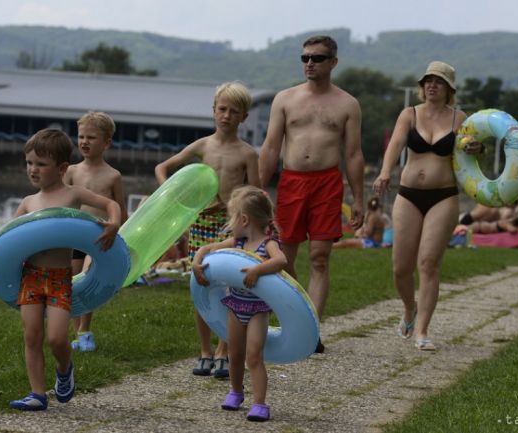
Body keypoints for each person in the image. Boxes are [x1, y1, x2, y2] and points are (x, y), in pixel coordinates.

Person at [0, 128, 122, 411]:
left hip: (58, 278)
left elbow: (110, 203)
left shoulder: (73, 194)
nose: (33, 169)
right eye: (30, 163)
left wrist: (113, 223)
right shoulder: (29, 203)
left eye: (41, 164)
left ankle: (65, 369)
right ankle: (37, 394)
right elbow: (2, 237)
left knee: (56, 338)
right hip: (30, 277)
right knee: (31, 335)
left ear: (62, 168)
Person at [258, 35, 365, 353]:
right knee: (283, 258)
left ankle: (311, 330)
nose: (309, 64)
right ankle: (296, 315)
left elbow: (354, 154)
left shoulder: (347, 104)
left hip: (327, 183)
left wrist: (358, 197)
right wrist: (259, 188)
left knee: (319, 258)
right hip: (291, 182)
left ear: (333, 62)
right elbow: (271, 147)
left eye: (316, 58)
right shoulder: (285, 99)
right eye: (304, 58)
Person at [372, 61, 482, 351]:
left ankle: (422, 331)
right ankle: (410, 308)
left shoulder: (460, 118)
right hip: (408, 194)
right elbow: (395, 145)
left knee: (429, 264)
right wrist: (385, 172)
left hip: (443, 195)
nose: (432, 85)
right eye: (428, 81)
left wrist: (476, 147)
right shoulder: (409, 114)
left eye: (439, 81)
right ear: (422, 87)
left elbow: (473, 145)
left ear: (449, 88)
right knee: (400, 268)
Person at [155, 81, 260, 378]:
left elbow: (256, 194)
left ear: (244, 117)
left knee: (227, 287)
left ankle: (223, 351)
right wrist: (176, 198)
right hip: (200, 225)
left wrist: (231, 206)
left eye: (234, 111)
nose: (226, 116)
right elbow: (163, 168)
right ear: (213, 111)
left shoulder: (248, 154)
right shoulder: (203, 146)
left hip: (229, 227)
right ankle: (204, 350)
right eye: (222, 109)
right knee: (200, 286)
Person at [192, 186, 287, 422]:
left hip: (257, 310)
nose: (228, 223)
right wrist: (196, 262)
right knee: (234, 354)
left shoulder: (268, 243)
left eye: (231, 218)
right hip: (235, 305)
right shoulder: (237, 242)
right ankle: (235, 392)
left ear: (244, 219)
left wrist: (258, 269)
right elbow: (206, 249)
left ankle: (260, 403)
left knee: (253, 356)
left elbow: (281, 260)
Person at [64, 111, 128, 352]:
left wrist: (119, 230)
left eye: (91, 137)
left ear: (106, 142)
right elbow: (63, 202)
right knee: (71, 281)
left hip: (99, 236)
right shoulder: (71, 171)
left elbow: (120, 210)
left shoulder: (113, 176)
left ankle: (85, 330)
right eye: (81, 136)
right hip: (73, 237)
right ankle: (75, 332)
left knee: (89, 277)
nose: (84, 142)